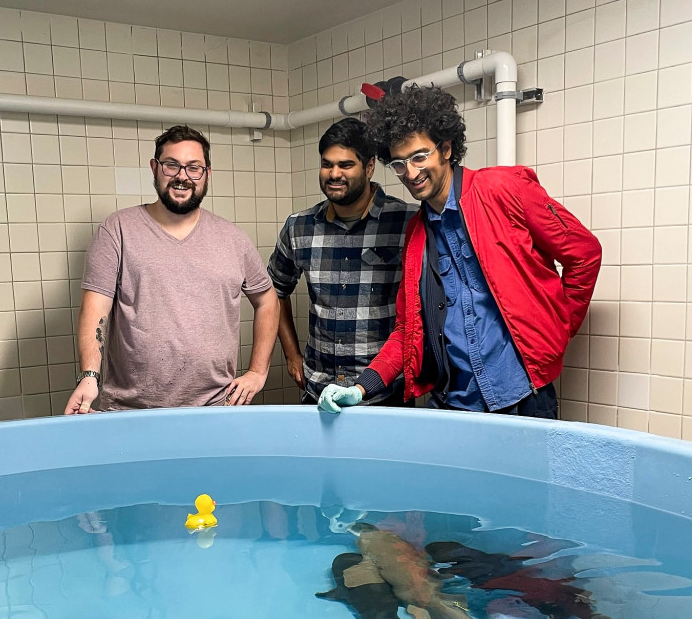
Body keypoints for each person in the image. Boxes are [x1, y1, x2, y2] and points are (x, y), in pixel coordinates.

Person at [318, 85, 601, 417]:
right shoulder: (417, 234)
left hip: (523, 398)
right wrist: (361, 387)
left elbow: (584, 253)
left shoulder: (503, 190)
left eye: (419, 156)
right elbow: (407, 331)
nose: (410, 173)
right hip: (454, 404)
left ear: (447, 149)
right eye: (398, 163)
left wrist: (553, 331)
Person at [65, 124, 279, 413]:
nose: (182, 176)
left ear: (207, 174)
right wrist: (89, 377)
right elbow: (95, 308)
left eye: (194, 168)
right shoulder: (118, 229)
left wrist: (257, 372)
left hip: (216, 408)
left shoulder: (233, 239)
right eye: (171, 165)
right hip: (131, 410)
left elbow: (267, 300)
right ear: (154, 168)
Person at [268, 118, 416, 405]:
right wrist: (291, 354)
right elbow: (274, 290)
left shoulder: (406, 222)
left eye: (346, 165)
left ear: (369, 167)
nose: (334, 174)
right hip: (319, 391)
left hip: (383, 395)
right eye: (327, 164)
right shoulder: (299, 227)